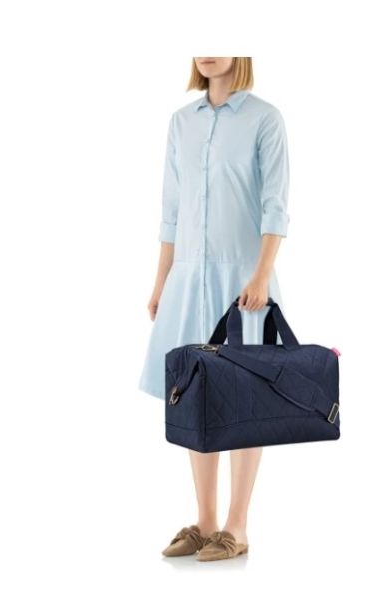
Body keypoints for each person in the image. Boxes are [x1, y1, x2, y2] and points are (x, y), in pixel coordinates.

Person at [138, 57, 291, 561]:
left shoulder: (264, 119)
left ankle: (237, 526)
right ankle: (205, 522)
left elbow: (275, 206)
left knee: (246, 400)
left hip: (243, 283)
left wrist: (261, 275)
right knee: (194, 395)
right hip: (188, 279)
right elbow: (171, 210)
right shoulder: (181, 122)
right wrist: (162, 280)